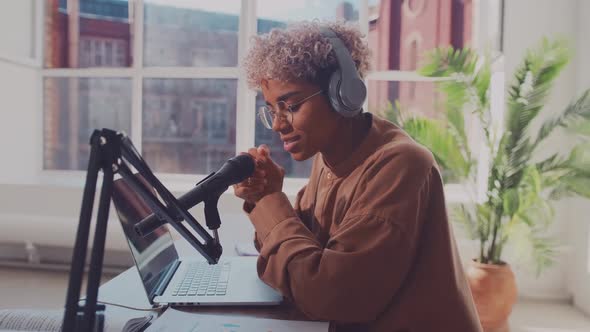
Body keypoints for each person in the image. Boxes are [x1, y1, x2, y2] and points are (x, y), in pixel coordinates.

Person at [233, 20, 482, 332]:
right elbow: (300, 251)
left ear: (344, 94)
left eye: (292, 106)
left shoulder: (401, 165)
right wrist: (262, 197)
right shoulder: (329, 156)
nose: (278, 125)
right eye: (272, 110)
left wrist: (271, 200)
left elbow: (328, 296)